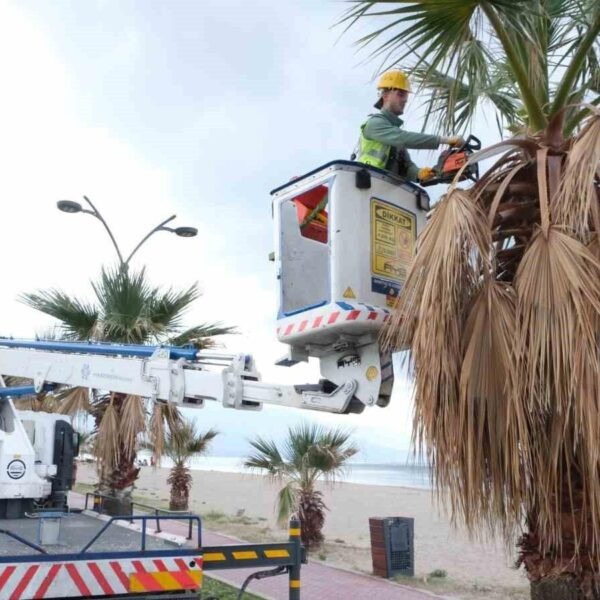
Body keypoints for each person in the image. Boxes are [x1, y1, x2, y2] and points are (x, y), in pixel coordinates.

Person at [356, 70, 464, 183]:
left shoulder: (394, 134)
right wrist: (445, 140)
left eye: (406, 95)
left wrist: (422, 174)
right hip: (368, 183)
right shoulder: (375, 124)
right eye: (401, 94)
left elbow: (407, 167)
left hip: (386, 190)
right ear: (385, 95)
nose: (405, 100)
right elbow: (404, 138)